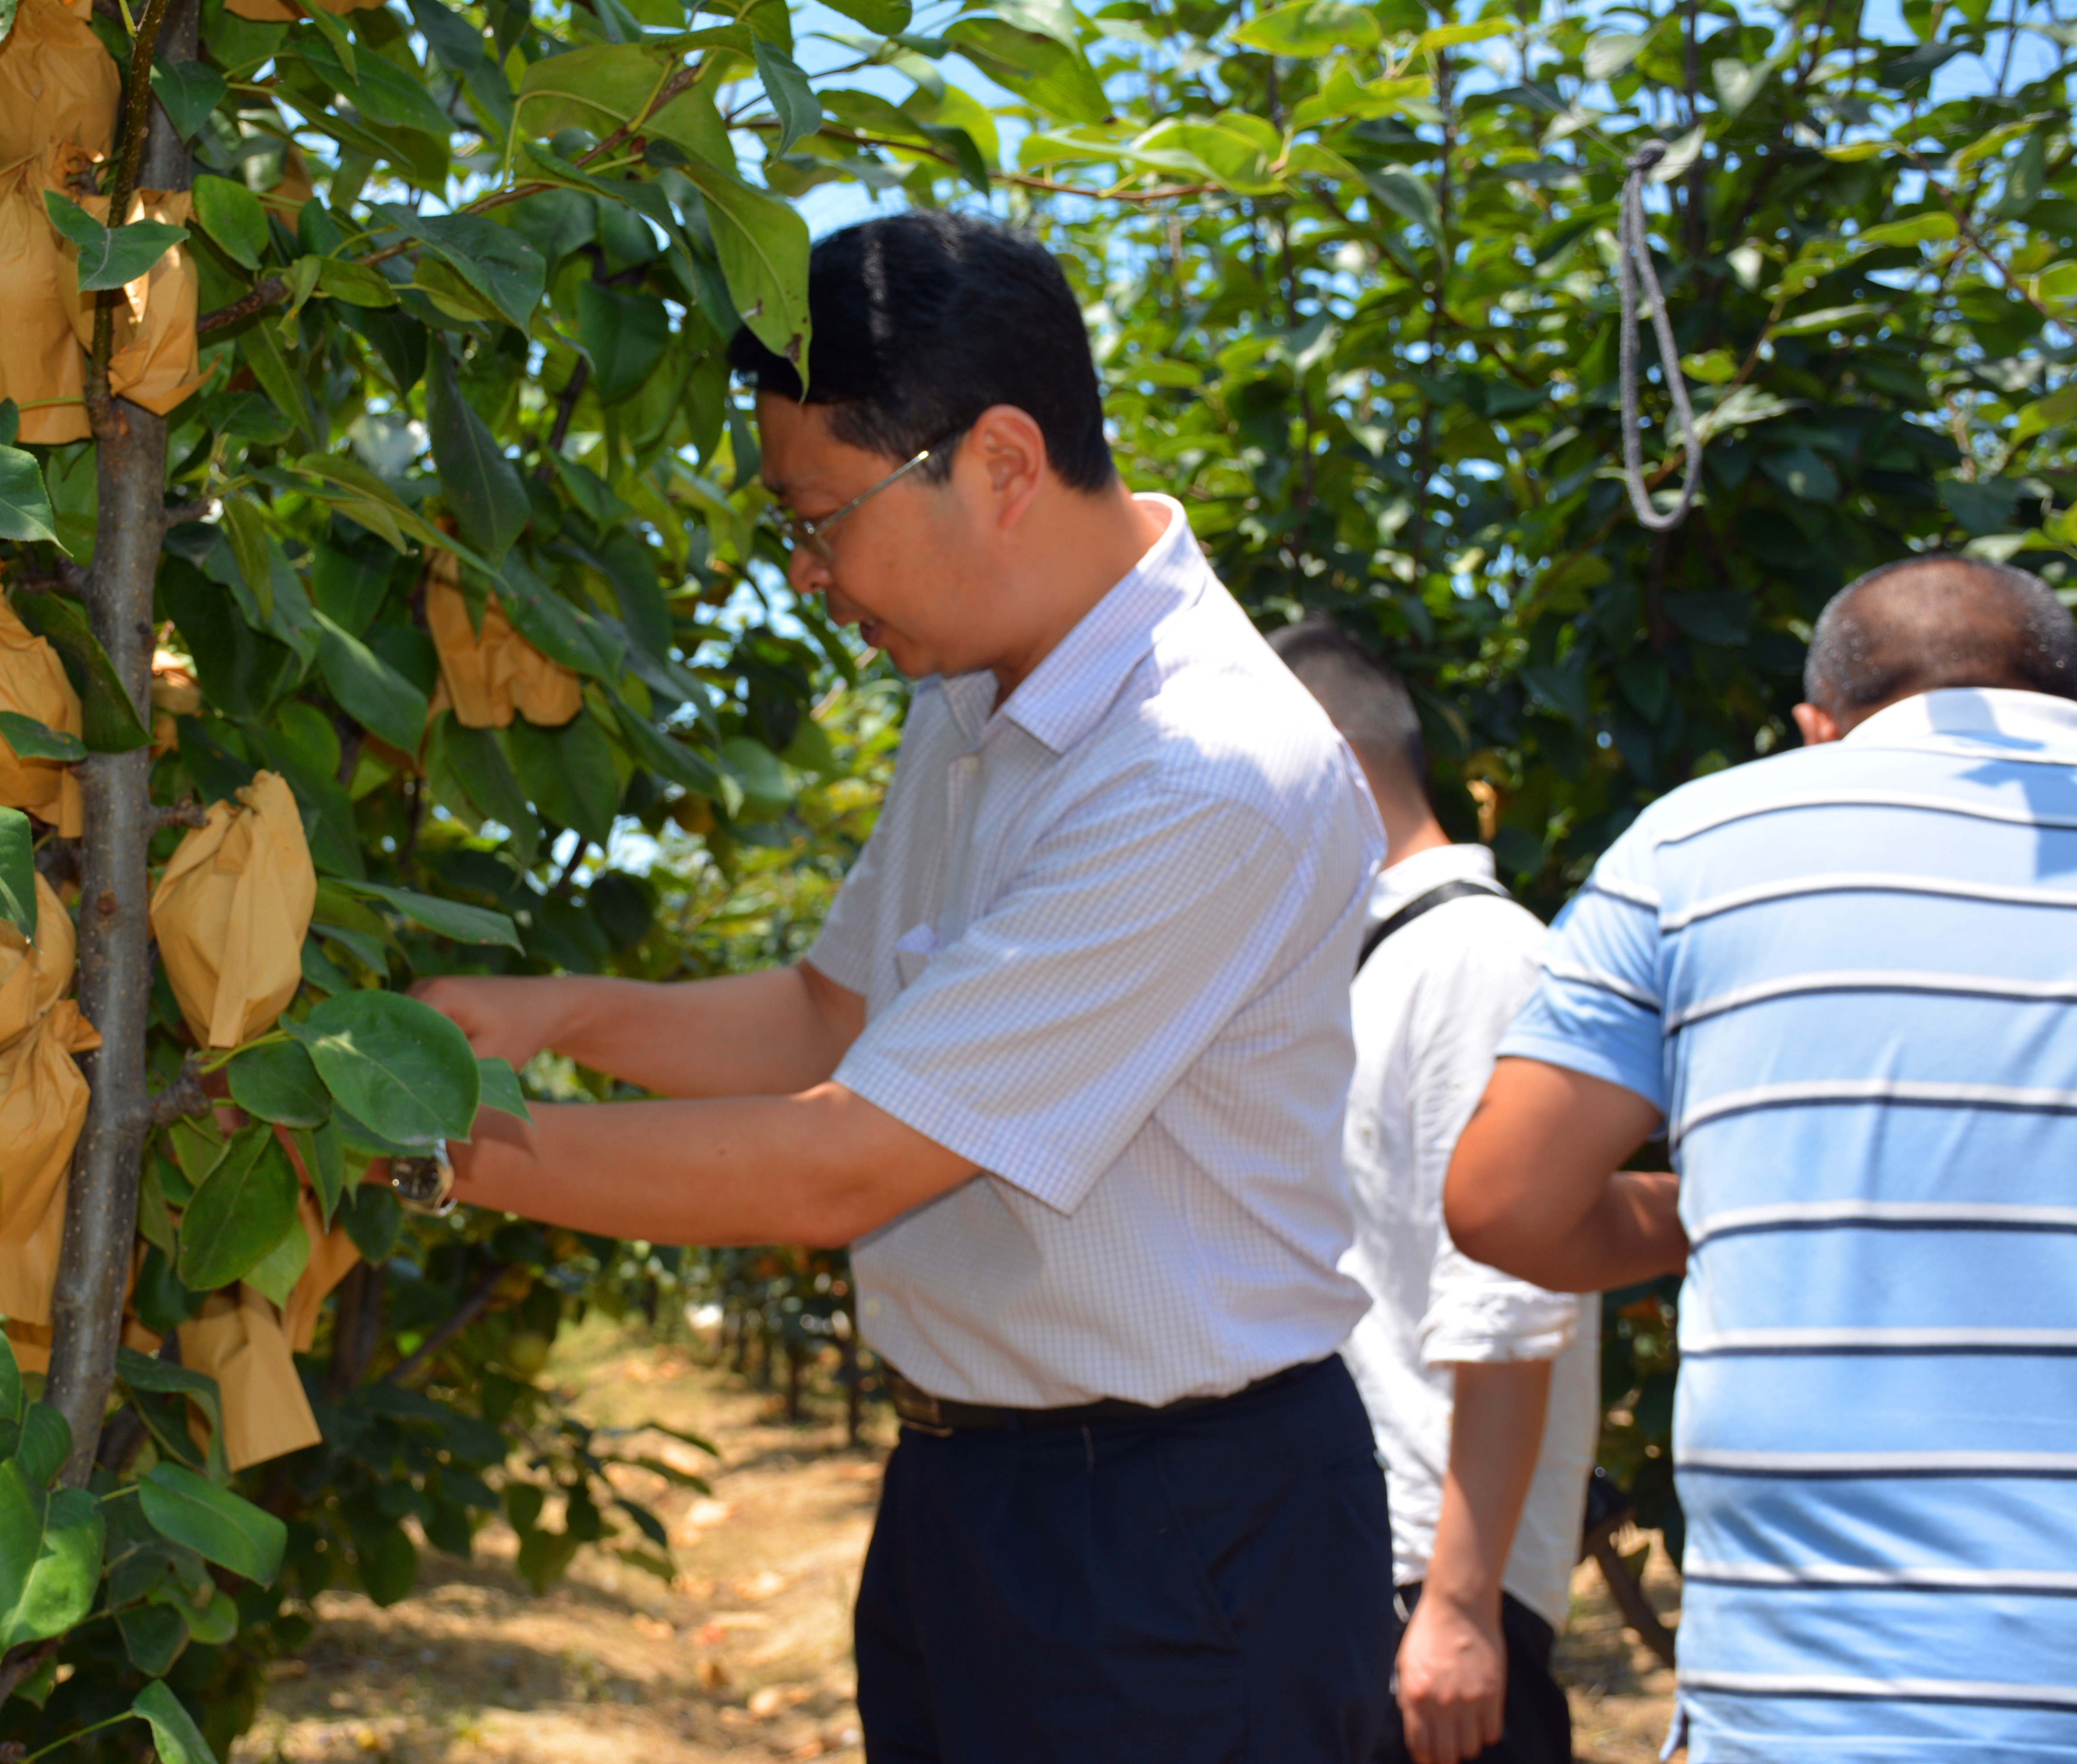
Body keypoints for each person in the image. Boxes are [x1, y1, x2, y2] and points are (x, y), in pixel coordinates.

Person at [403, 210, 1398, 1760]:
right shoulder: (974, 688)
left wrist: (429, 1144)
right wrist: (553, 1013)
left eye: (821, 519)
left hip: (1174, 1537)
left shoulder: (1203, 777)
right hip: (969, 1491)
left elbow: (844, 1163)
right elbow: (831, 1018)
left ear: (1001, 462)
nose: (807, 576)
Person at [1441, 555, 2077, 1763]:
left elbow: (1504, 1206)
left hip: (1818, 1702)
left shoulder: (1698, 848)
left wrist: (1727, 1207)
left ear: (1816, 727)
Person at [1267, 619, 1597, 1764]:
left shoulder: (1475, 961)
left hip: (1435, 1589)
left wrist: (1458, 1607)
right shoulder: (1377, 966)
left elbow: (1503, 1299)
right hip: (1372, 1565)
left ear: (1331, 768)